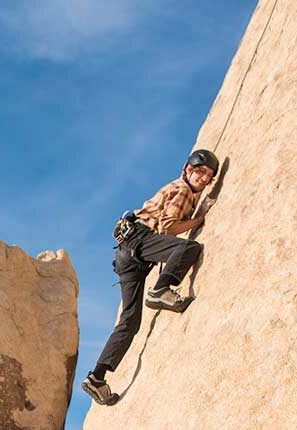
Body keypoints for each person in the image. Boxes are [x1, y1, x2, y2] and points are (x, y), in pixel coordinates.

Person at [80, 149, 219, 406]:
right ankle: (161, 289)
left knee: (129, 321)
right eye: (200, 172)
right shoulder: (184, 190)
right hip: (141, 241)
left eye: (208, 176)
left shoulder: (178, 186)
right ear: (188, 170)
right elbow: (168, 227)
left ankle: (97, 378)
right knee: (188, 248)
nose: (203, 178)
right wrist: (200, 218)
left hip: (126, 253)